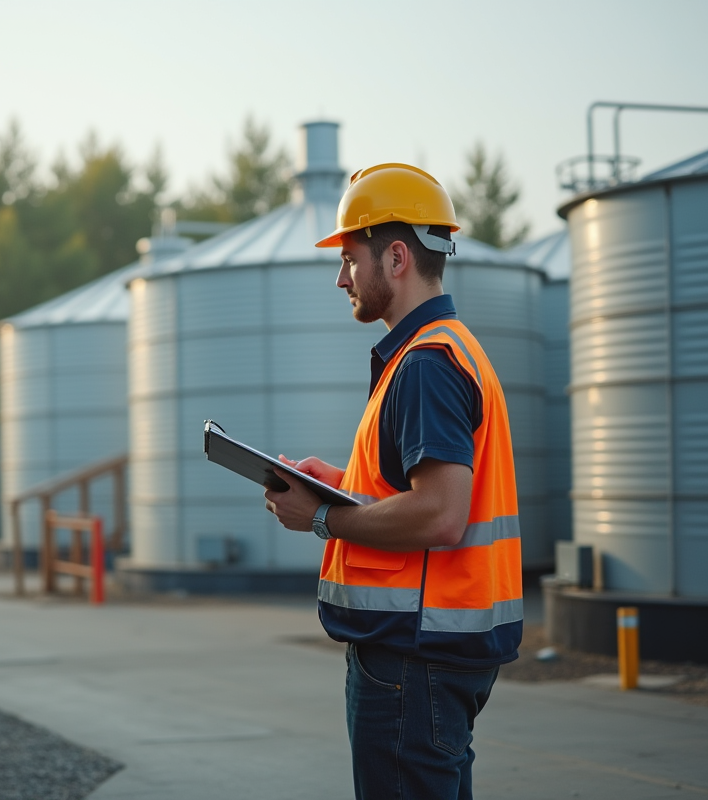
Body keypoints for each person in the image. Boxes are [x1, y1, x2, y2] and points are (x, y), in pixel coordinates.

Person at [262, 163, 523, 800]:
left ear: (397, 256)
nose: (341, 277)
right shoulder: (449, 349)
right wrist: (341, 483)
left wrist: (320, 517)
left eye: (351, 259)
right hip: (435, 654)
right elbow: (424, 494)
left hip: (413, 659)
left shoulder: (426, 364)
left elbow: (439, 515)